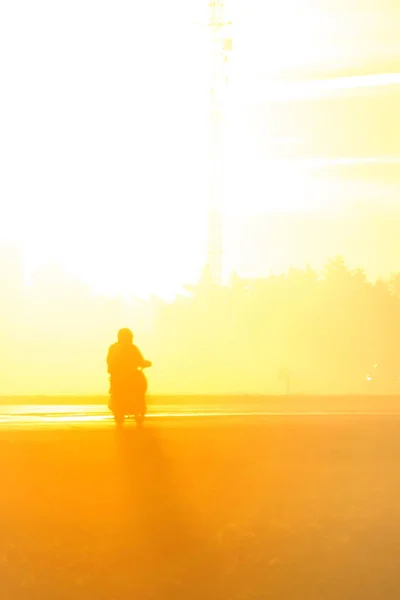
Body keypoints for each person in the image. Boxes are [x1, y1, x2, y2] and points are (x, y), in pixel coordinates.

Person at [107, 328, 152, 417]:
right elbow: (140, 360)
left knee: (140, 386)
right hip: (126, 376)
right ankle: (138, 407)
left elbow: (109, 361)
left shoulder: (114, 348)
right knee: (140, 386)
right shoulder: (131, 348)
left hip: (122, 376)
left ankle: (137, 406)